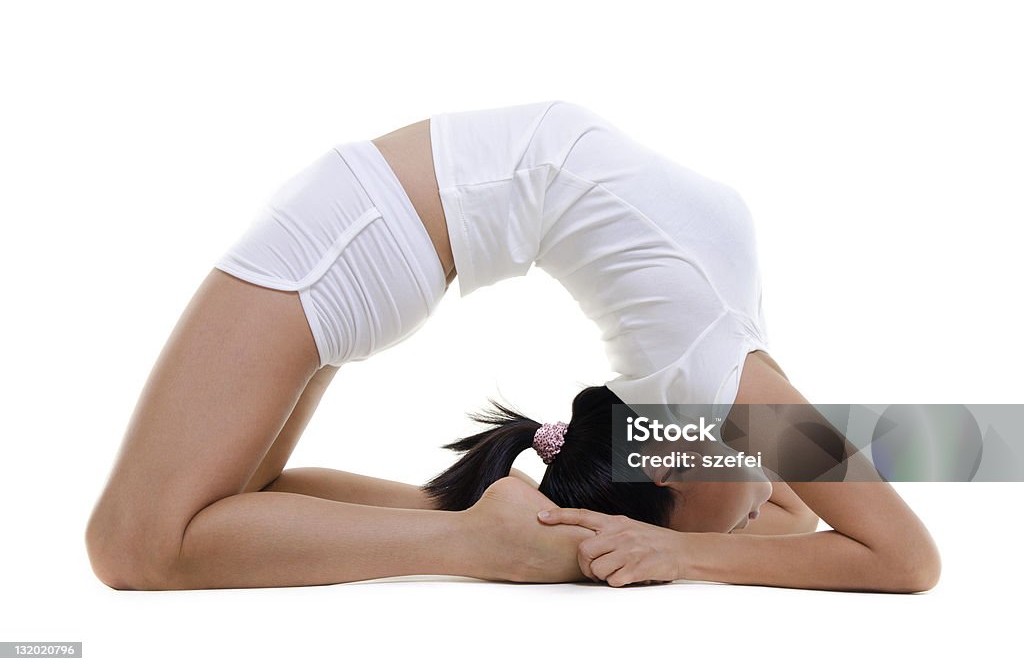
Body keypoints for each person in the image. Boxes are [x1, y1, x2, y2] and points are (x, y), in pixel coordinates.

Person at [84, 101, 941, 593]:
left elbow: (817, 531)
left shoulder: (714, 397)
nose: (768, 504)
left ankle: (477, 532)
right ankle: (475, 536)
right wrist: (680, 547)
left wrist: (680, 544)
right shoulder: (730, 393)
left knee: (188, 522)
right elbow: (903, 556)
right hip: (372, 229)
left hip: (375, 227)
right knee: (151, 537)